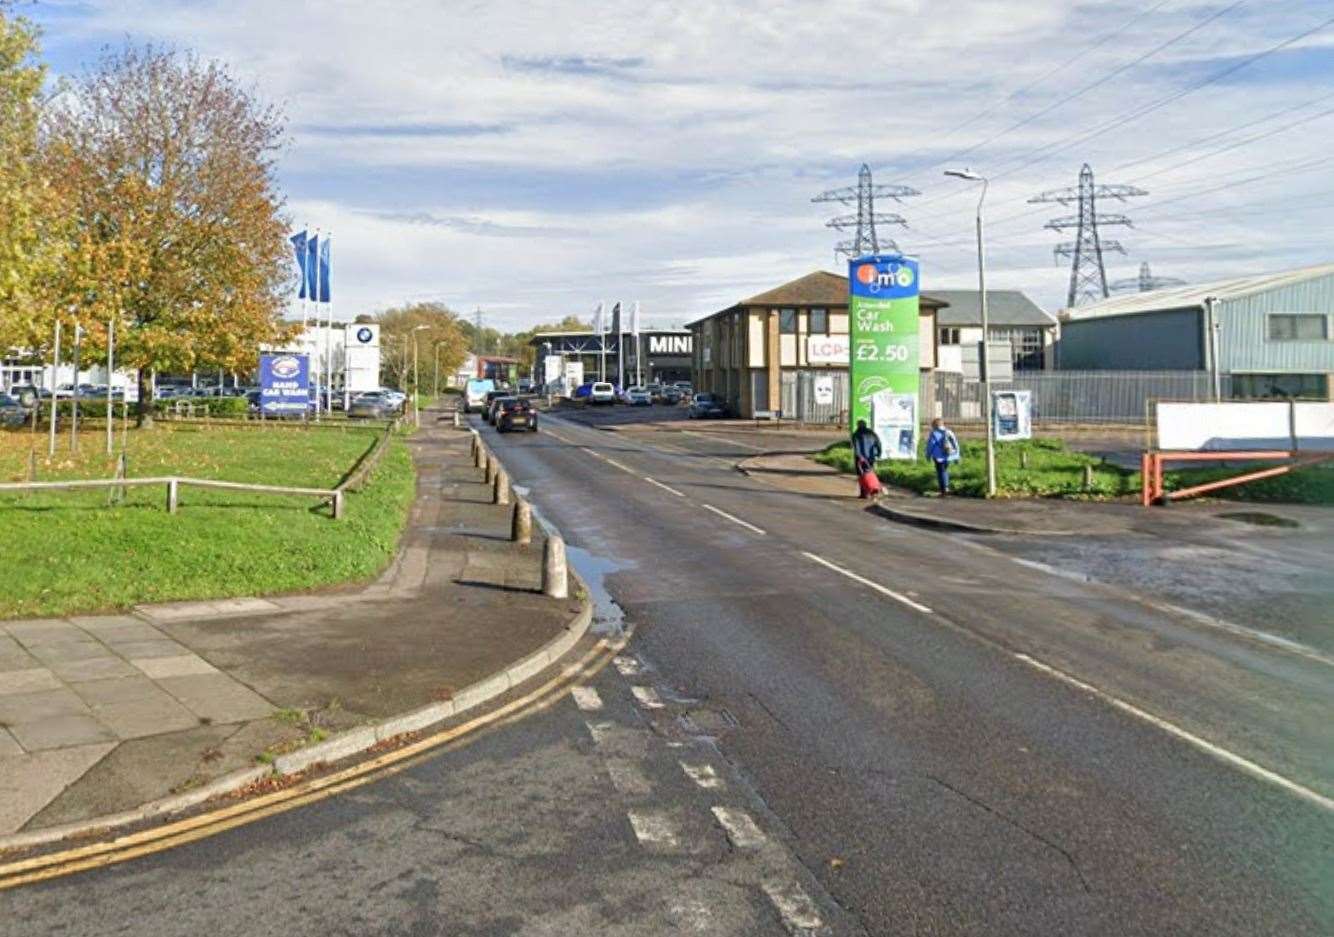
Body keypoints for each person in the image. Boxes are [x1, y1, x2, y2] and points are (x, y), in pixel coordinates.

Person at [925, 417, 961, 496]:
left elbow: (930, 445)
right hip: (949, 455)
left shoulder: (934, 433)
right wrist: (957, 456)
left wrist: (928, 455)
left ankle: (943, 489)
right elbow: (955, 444)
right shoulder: (949, 432)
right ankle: (946, 488)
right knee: (945, 470)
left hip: (938, 457)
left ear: (934, 425)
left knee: (940, 472)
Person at [850, 419, 882, 499]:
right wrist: (879, 453)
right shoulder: (872, 433)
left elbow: (856, 446)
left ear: (858, 425)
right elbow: (878, 443)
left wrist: (859, 456)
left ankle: (864, 493)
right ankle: (873, 489)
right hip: (871, 457)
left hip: (860, 458)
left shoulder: (856, 434)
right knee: (870, 473)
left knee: (862, 475)